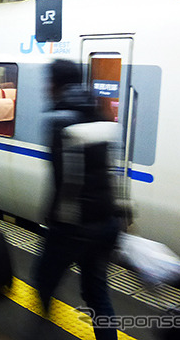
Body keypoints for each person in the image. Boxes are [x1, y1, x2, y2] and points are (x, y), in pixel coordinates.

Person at [32, 59, 120, 340]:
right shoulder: (98, 112)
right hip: (105, 221)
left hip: (74, 225)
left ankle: (40, 333)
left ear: (55, 84)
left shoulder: (57, 120)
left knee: (43, 278)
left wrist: (53, 219)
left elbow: (63, 181)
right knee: (96, 293)